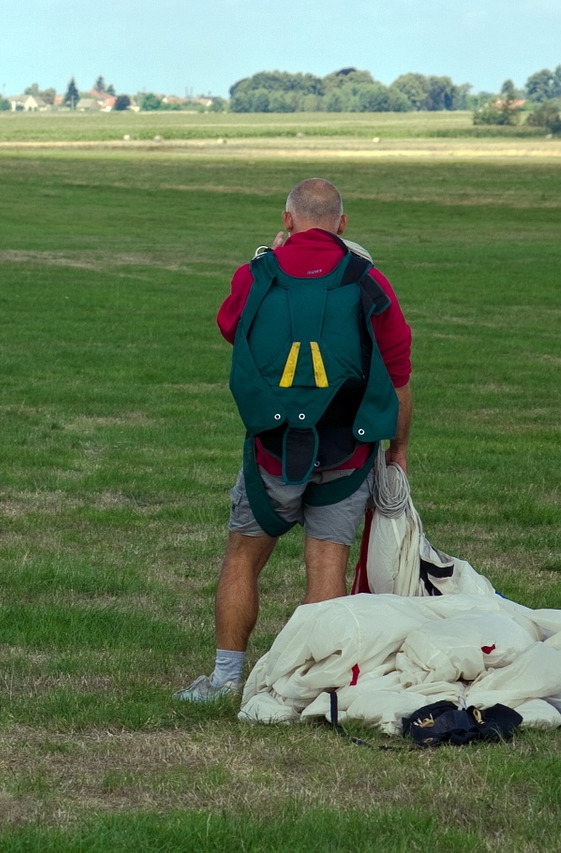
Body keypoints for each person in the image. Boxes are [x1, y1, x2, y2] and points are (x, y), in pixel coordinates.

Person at [176, 178, 413, 702]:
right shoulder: (371, 281)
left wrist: (272, 263)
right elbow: (398, 378)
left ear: (287, 220)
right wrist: (397, 451)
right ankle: (308, 689)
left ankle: (224, 680)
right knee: (326, 565)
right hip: (347, 452)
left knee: (242, 558)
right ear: (343, 225)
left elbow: (229, 327)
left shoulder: (255, 274)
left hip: (270, 452)